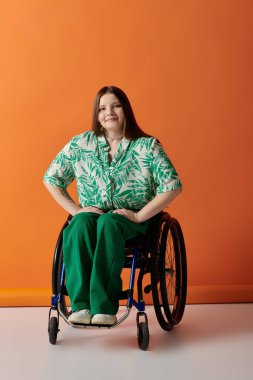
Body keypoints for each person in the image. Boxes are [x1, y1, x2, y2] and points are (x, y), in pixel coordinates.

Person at [43, 85, 182, 326]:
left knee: (108, 222)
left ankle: (104, 308)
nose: (109, 112)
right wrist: (76, 210)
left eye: (115, 105)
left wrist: (139, 217)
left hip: (130, 221)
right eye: (102, 108)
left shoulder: (146, 146)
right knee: (78, 224)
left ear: (125, 109)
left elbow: (172, 185)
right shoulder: (80, 145)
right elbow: (51, 179)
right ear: (96, 115)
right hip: (93, 216)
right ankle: (81, 306)